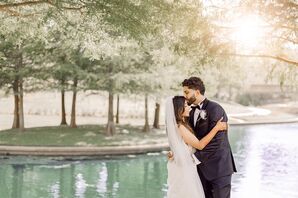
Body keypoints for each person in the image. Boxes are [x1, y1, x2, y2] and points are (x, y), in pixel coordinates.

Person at [181, 76, 237, 198]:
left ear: (197, 91)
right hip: (201, 170)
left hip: (219, 169)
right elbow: (190, 139)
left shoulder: (215, 109)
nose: (184, 96)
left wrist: (194, 158)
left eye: (186, 92)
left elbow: (217, 142)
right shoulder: (189, 112)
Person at [166, 96, 227, 198]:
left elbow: (180, 144)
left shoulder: (181, 124)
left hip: (184, 165)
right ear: (179, 109)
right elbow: (200, 145)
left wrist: (175, 152)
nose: (189, 107)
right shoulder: (180, 127)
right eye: (186, 105)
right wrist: (216, 128)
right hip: (183, 169)